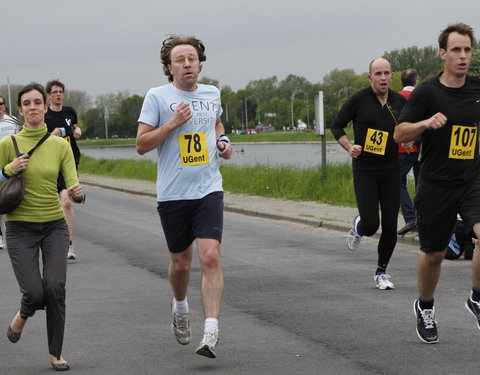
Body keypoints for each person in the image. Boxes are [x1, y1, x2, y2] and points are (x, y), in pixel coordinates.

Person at [136, 35, 233, 359]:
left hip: (208, 187)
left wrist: (223, 142)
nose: (187, 64)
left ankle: (210, 331)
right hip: (174, 193)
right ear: (169, 67)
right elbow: (142, 144)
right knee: (181, 263)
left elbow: (216, 123)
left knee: (210, 257)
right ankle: (180, 307)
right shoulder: (157, 97)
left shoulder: (212, 93)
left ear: (200, 63)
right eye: (180, 59)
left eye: (192, 58)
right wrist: (173, 123)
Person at [395, 22, 480, 344]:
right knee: (434, 252)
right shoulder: (427, 92)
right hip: (435, 182)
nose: (462, 56)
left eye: (467, 50)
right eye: (456, 50)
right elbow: (399, 134)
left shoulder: (477, 89)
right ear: (443, 53)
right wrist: (426, 123)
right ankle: (425, 306)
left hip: (472, 178)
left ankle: (477, 298)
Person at [0, 83, 85, 370]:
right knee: (35, 294)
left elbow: (72, 180)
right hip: (19, 228)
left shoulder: (60, 145)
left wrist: (77, 191)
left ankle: (55, 353)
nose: (34, 107)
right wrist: (9, 170)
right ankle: (22, 315)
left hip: (54, 226)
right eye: (27, 103)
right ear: (20, 110)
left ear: (46, 108)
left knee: (55, 288)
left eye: (38, 102)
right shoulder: (6, 145)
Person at [331, 57, 406, 290]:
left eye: (387, 73)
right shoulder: (359, 99)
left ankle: (381, 272)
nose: (383, 78)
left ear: (392, 76)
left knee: (391, 225)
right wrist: (349, 146)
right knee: (372, 224)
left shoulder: (399, 102)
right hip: (365, 168)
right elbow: (336, 126)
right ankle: (360, 226)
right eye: (378, 74)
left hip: (392, 167)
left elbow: (408, 128)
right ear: (370, 77)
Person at [45, 80, 82, 260]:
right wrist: (55, 134)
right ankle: (50, 241)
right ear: (49, 95)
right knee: (52, 205)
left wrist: (76, 129)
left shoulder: (70, 112)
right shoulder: (45, 114)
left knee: (67, 202)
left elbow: (73, 126)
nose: (58, 94)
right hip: (50, 164)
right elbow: (42, 139)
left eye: (61, 92)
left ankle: (69, 245)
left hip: (70, 162)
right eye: (55, 92)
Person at [397, 69, 421, 235]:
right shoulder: (422, 95)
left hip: (401, 148)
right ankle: (421, 220)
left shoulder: (396, 98)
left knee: (398, 182)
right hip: (421, 147)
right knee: (422, 184)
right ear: (416, 81)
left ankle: (410, 218)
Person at [0, 95, 19, 250]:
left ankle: (10, 223)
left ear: (4, 106)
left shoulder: (12, 121)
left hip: (11, 163)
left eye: (1, 103)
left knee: (12, 194)